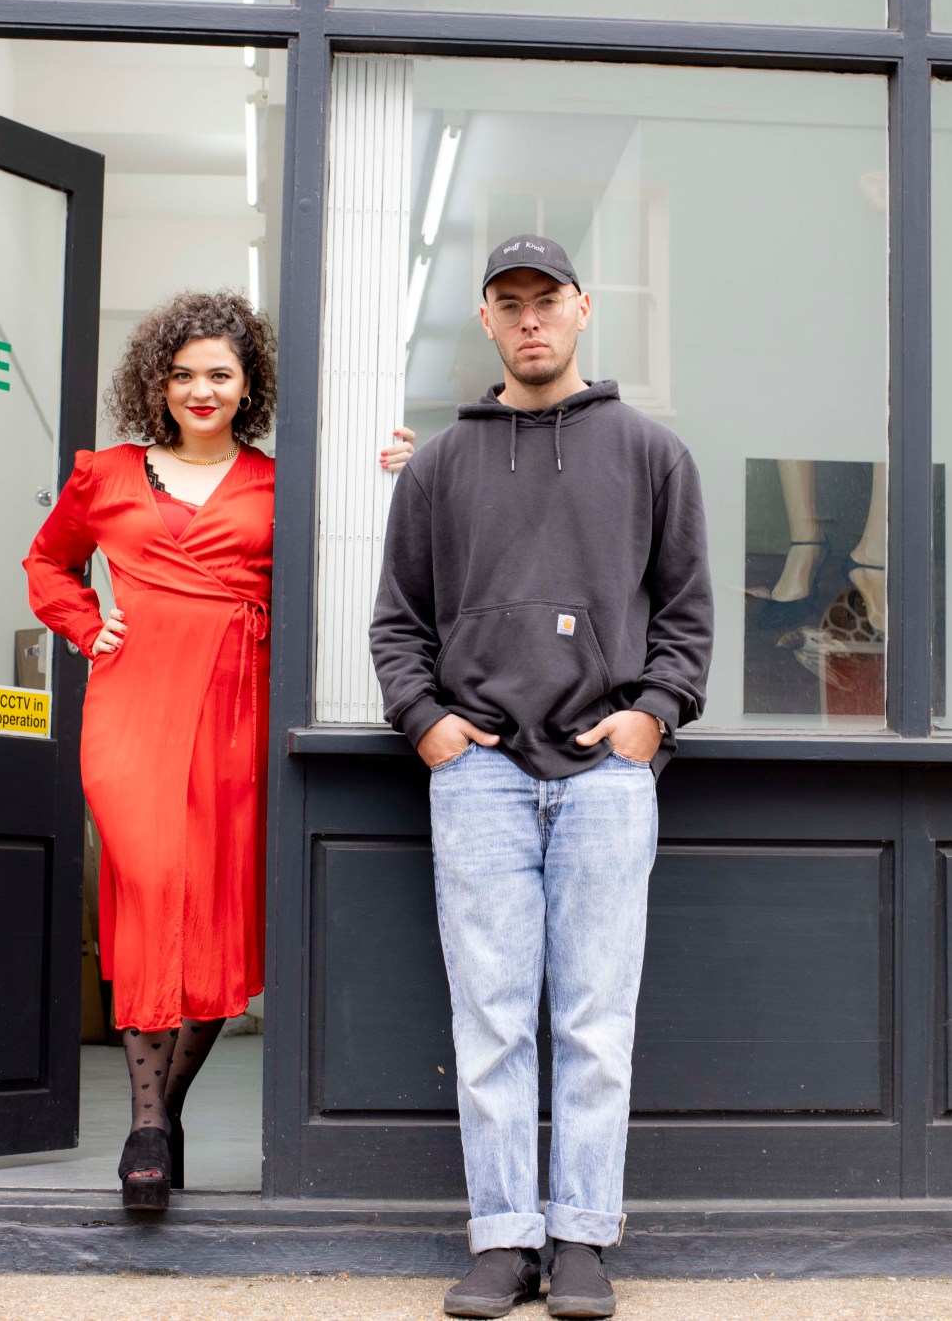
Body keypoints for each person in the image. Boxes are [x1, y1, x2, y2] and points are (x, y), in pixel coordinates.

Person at [370, 236, 713, 1319]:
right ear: (484, 320)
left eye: (546, 301)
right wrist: (425, 724)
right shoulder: (437, 467)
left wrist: (648, 719)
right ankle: (503, 1237)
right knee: (493, 1020)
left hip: (605, 777)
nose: (529, 321)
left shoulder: (650, 454)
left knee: (594, 1022)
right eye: (508, 304)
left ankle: (580, 1240)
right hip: (476, 775)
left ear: (581, 310)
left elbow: (688, 619)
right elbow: (396, 624)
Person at [25, 291, 412, 1211]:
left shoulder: (281, 482)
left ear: (248, 387)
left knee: (220, 913)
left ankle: (168, 1113)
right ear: (158, 381)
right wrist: (88, 624)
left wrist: (396, 468)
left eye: (221, 375)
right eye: (185, 373)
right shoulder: (106, 474)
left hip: (239, 708)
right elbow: (48, 565)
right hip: (133, 707)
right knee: (150, 888)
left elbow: (354, 540)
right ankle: (145, 1120)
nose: (201, 390)